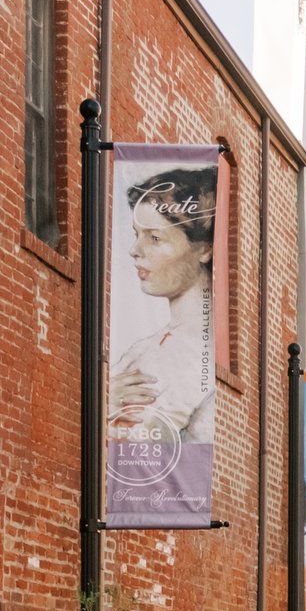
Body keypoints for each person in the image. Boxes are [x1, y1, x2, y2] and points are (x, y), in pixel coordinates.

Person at [111, 167, 218, 446]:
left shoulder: (204, 356)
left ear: (204, 249)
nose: (135, 250)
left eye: (154, 238)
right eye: (137, 234)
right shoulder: (142, 349)